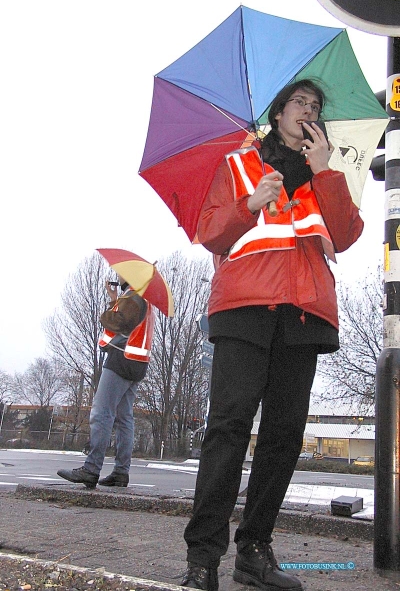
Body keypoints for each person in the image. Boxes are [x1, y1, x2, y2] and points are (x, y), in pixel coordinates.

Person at [181, 79, 364, 591]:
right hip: (244, 307)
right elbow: (211, 232)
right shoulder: (240, 165)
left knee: (282, 438)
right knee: (229, 428)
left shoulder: (324, 176)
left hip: (304, 314)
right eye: (300, 103)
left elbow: (347, 235)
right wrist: (250, 203)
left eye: (315, 106)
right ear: (278, 112)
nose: (309, 111)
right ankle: (203, 557)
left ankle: (254, 550)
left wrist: (325, 170)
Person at [57, 276, 155, 489]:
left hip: (120, 359)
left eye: (120, 273)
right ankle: (121, 472)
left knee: (102, 413)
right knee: (124, 418)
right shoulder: (142, 298)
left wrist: (108, 311)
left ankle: (91, 469)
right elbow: (129, 322)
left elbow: (118, 322)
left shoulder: (133, 297)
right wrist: (115, 299)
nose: (117, 276)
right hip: (136, 363)